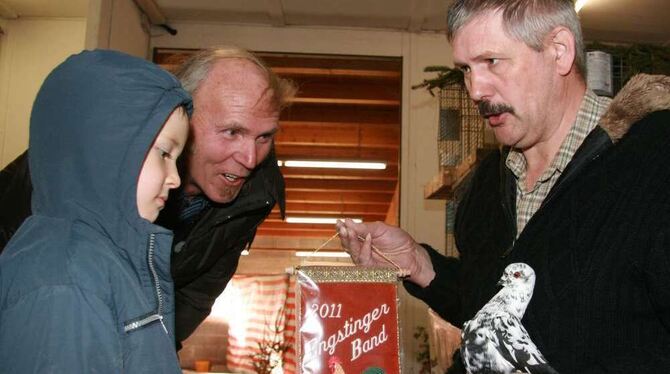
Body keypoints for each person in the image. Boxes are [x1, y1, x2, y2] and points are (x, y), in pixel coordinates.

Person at [337, 0, 670, 372]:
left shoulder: (656, 161)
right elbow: (488, 304)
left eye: (491, 62)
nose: (475, 89)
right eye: (466, 69)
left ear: (559, 52)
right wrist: (420, 264)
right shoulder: (487, 183)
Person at [0, 46, 296, 348]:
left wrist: (147, 353)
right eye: (232, 132)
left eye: (264, 137)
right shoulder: (82, 157)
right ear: (181, 116)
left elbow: (195, 296)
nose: (250, 158)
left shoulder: (255, 195)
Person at [0, 50, 192, 372]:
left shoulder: (106, 261)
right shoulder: (65, 279)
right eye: (164, 153)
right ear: (107, 149)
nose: (175, 179)